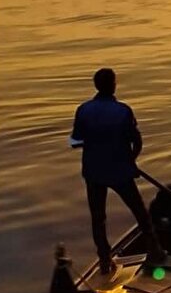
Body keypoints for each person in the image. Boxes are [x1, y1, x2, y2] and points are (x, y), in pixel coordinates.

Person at [70, 68, 165, 276]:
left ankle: (105, 260)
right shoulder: (123, 111)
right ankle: (155, 251)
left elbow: (75, 141)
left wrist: (95, 142)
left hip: (94, 172)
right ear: (113, 85)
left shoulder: (83, 110)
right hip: (120, 171)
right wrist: (131, 160)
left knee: (98, 218)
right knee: (140, 213)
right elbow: (137, 141)